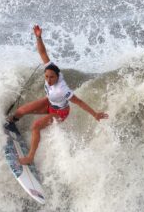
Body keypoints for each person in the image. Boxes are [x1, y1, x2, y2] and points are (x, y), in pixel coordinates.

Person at [7, 25, 109, 165]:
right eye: (47, 77)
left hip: (60, 112)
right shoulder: (50, 68)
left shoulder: (62, 89)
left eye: (52, 78)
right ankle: (11, 122)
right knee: (20, 111)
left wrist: (95, 114)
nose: (49, 80)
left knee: (36, 126)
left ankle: (30, 157)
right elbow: (43, 53)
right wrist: (38, 36)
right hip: (50, 103)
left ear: (57, 76)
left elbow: (79, 102)